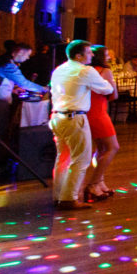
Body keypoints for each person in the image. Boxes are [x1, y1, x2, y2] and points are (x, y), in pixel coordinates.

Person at [48, 40, 115, 210]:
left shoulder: (59, 69)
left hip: (57, 116)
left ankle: (58, 195)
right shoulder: (85, 71)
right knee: (81, 159)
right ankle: (69, 199)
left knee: (62, 157)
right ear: (78, 56)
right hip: (74, 117)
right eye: (88, 52)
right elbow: (107, 89)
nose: (92, 54)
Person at [0, 42, 48, 169]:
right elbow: (24, 83)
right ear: (19, 52)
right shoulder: (8, 65)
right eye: (27, 55)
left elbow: (1, 81)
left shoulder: (2, 61)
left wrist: (13, 90)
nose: (28, 58)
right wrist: (44, 89)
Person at [81, 46, 119, 203]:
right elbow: (114, 95)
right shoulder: (105, 71)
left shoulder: (86, 71)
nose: (109, 58)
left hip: (87, 111)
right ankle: (92, 184)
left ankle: (100, 182)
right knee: (112, 147)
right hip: (99, 112)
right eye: (106, 55)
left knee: (101, 148)